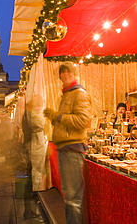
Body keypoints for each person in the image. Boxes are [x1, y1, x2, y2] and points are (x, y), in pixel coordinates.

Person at [44, 62, 92, 224]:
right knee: (70, 197)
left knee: (72, 198)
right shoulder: (67, 94)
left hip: (73, 149)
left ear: (74, 73)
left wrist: (58, 117)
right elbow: (67, 122)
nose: (64, 74)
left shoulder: (78, 93)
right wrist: (55, 119)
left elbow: (83, 120)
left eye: (67, 71)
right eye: (61, 72)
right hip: (66, 148)